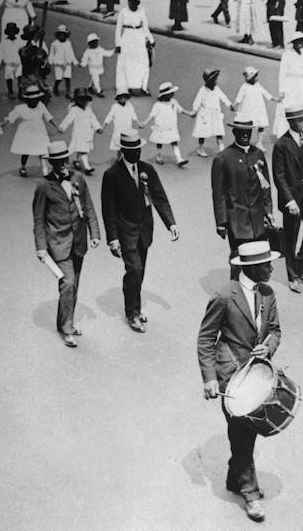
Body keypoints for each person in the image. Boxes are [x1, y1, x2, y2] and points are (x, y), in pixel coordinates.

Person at [197, 240, 282, 523]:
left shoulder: (268, 293)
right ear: (253, 267)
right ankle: (251, 494)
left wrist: (267, 347)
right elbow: (206, 338)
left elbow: (276, 331)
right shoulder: (223, 296)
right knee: (243, 432)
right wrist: (209, 378)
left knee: (245, 433)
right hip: (229, 375)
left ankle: (236, 478)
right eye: (267, 264)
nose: (272, 268)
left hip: (256, 373)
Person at [101, 132, 179, 332]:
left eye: (138, 149)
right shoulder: (112, 175)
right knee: (134, 270)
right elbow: (108, 209)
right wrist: (112, 239)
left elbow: (159, 197)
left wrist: (171, 223)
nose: (136, 153)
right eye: (132, 150)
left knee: (140, 271)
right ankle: (132, 312)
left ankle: (135, 305)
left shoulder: (147, 170)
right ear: (123, 151)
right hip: (125, 232)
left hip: (145, 231)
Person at [32, 140, 101, 348]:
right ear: (52, 163)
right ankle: (66, 328)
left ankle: (66, 322)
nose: (63, 163)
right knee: (68, 282)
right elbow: (38, 220)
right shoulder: (44, 186)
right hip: (58, 243)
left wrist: (94, 233)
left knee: (74, 285)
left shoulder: (78, 179)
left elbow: (88, 206)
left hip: (78, 241)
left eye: (65, 159)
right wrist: (41, 247)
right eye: (58, 161)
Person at [211, 116, 275, 281]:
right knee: (238, 260)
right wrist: (221, 222)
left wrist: (268, 211)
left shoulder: (258, 154)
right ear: (234, 132)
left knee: (258, 261)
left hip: (258, 220)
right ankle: (235, 294)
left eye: (248, 131)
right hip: (237, 221)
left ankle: (255, 294)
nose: (245, 135)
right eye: (241, 132)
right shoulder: (223, 158)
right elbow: (218, 194)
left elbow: (265, 186)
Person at [272, 105, 303, 292]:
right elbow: (279, 176)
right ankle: (292, 276)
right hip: (292, 197)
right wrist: (289, 200)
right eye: (301, 120)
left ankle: (299, 266)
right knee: (291, 238)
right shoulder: (281, 145)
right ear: (291, 122)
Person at [2, 84, 62, 177]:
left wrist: (57, 126)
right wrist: (2, 124)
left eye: (37, 99)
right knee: (26, 151)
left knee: (42, 151)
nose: (35, 101)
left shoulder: (40, 106)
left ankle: (45, 170)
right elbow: (11, 117)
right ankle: (23, 167)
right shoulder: (20, 108)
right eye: (32, 99)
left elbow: (48, 116)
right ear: (27, 99)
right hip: (26, 133)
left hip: (39, 132)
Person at [143, 81, 195, 167]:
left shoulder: (174, 102)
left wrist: (190, 114)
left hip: (171, 127)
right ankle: (159, 157)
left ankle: (179, 159)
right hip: (161, 127)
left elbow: (181, 110)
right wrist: (145, 123)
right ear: (165, 95)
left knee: (174, 142)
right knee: (159, 142)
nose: (173, 94)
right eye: (171, 93)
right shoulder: (158, 105)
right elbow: (151, 115)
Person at [272, 31, 303, 140]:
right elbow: (282, 73)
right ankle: (285, 133)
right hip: (291, 84)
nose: (300, 43)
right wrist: (282, 90)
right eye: (297, 41)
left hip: (302, 86)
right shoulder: (287, 54)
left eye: (301, 41)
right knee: (289, 107)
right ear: (293, 43)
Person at [114, 0, 154, 96]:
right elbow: (118, 29)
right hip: (127, 37)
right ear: (128, 0)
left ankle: (143, 86)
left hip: (139, 37)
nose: (134, 3)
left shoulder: (142, 11)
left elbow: (145, 27)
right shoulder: (123, 12)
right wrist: (118, 44)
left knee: (143, 62)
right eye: (132, 1)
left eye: (137, 1)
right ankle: (123, 87)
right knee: (125, 62)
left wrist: (150, 39)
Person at [59, 88, 103, 175]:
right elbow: (68, 119)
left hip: (87, 133)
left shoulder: (88, 109)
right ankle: (83, 167)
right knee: (74, 150)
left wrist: (98, 128)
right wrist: (62, 127)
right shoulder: (74, 110)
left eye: (84, 99)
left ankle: (78, 163)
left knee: (82, 150)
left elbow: (93, 119)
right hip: (78, 134)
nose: (83, 101)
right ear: (76, 100)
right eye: (80, 99)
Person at [191, 68, 233, 156]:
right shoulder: (202, 90)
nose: (215, 81)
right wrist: (195, 110)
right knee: (202, 133)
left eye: (215, 79)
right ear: (208, 81)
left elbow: (223, 97)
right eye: (214, 80)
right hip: (205, 114)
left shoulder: (217, 89)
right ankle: (200, 148)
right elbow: (197, 101)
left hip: (215, 114)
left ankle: (221, 149)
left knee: (219, 131)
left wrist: (229, 104)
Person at [234, 66, 277, 149]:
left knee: (262, 125)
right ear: (251, 78)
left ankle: (259, 142)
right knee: (247, 125)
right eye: (255, 76)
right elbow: (239, 98)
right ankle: (243, 142)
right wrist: (234, 104)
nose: (257, 77)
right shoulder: (244, 86)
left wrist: (275, 99)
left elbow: (266, 93)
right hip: (248, 108)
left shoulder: (258, 85)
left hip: (259, 109)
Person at [103, 90, 139, 156]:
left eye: (124, 97)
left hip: (127, 129)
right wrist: (103, 127)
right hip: (119, 130)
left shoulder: (129, 105)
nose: (123, 99)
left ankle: (125, 160)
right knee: (119, 146)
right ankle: (119, 159)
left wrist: (138, 123)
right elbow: (109, 117)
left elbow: (133, 114)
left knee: (127, 146)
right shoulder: (115, 106)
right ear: (118, 98)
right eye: (121, 97)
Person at [78, 32, 114, 98]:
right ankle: (98, 91)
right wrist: (82, 64)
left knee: (93, 79)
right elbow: (84, 60)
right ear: (89, 44)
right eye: (92, 42)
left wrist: (114, 51)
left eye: (96, 42)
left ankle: (90, 87)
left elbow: (107, 53)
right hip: (93, 68)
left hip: (99, 67)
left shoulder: (100, 49)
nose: (94, 44)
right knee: (96, 79)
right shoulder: (87, 52)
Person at [48, 24, 76, 99]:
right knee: (59, 78)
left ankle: (68, 92)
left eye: (64, 35)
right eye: (60, 35)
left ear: (66, 35)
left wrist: (75, 62)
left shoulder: (68, 43)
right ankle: (55, 87)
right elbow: (51, 54)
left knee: (68, 78)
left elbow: (71, 53)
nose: (62, 37)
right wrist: (49, 62)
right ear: (57, 35)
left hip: (67, 64)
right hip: (58, 64)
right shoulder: (54, 44)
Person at [0, 21, 22, 99]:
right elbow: (0, 53)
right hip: (9, 63)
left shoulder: (19, 42)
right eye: (10, 32)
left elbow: (22, 51)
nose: (12, 33)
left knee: (20, 77)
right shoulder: (4, 42)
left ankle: (21, 92)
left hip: (18, 63)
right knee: (9, 77)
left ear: (15, 32)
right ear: (7, 33)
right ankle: (10, 91)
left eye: (13, 32)